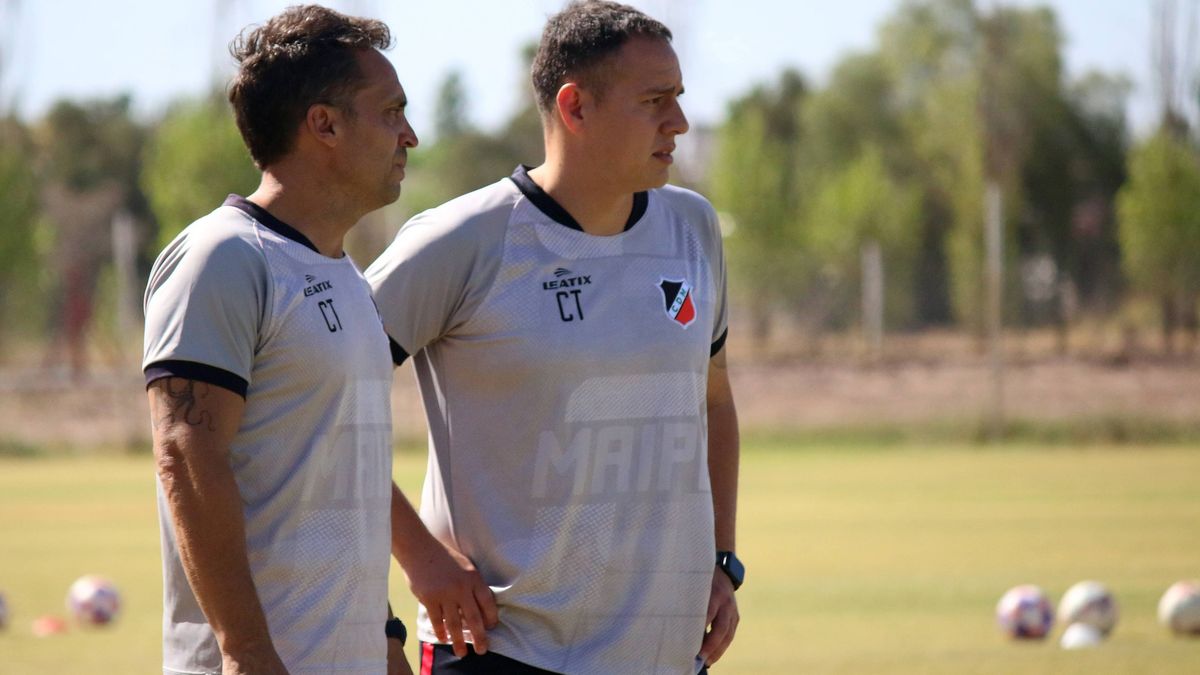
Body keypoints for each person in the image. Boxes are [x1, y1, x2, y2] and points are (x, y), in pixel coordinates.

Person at [366, 2, 742, 673]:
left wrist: (721, 559)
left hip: (663, 654)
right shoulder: (462, 240)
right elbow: (319, 402)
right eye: (655, 101)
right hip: (498, 649)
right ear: (575, 108)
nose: (679, 122)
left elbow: (712, 401)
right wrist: (421, 558)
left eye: (679, 99)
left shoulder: (693, 227)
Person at [142, 6, 418, 674]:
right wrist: (246, 649)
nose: (409, 134)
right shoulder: (224, 256)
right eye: (391, 112)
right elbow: (186, 450)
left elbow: (335, 475)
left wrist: (382, 636)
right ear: (324, 124)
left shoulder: (344, 273)